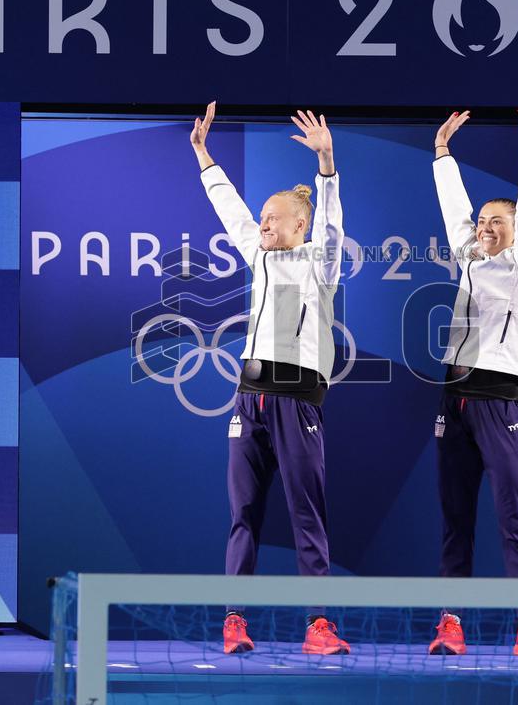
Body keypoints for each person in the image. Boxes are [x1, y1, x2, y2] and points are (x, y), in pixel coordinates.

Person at [190, 102, 350, 655]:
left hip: (297, 403)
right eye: (262, 216)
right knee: (243, 515)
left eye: (273, 216)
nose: (262, 222)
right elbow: (230, 210)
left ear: (299, 225)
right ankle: (234, 621)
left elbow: (331, 220)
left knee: (308, 515)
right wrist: (205, 157)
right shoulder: (257, 257)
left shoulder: (319, 261)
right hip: (248, 400)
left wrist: (326, 162)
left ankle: (319, 627)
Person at [427, 99, 518, 657]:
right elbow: (455, 212)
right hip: (453, 401)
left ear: (514, 231)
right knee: (456, 521)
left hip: (501, 403)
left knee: (513, 516)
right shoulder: (471, 260)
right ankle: (450, 625)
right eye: (482, 222)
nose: (485, 227)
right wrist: (441, 155)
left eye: (496, 222)